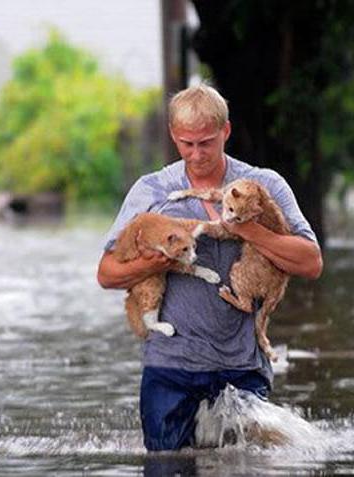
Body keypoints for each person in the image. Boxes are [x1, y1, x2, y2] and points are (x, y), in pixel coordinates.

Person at [97, 84, 323, 451]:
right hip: (171, 367)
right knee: (166, 469)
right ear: (173, 136)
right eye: (187, 143)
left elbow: (311, 263)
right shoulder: (151, 191)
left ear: (226, 132)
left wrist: (246, 229)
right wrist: (150, 262)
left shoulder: (262, 187)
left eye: (206, 142)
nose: (197, 154)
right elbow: (106, 273)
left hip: (242, 366)